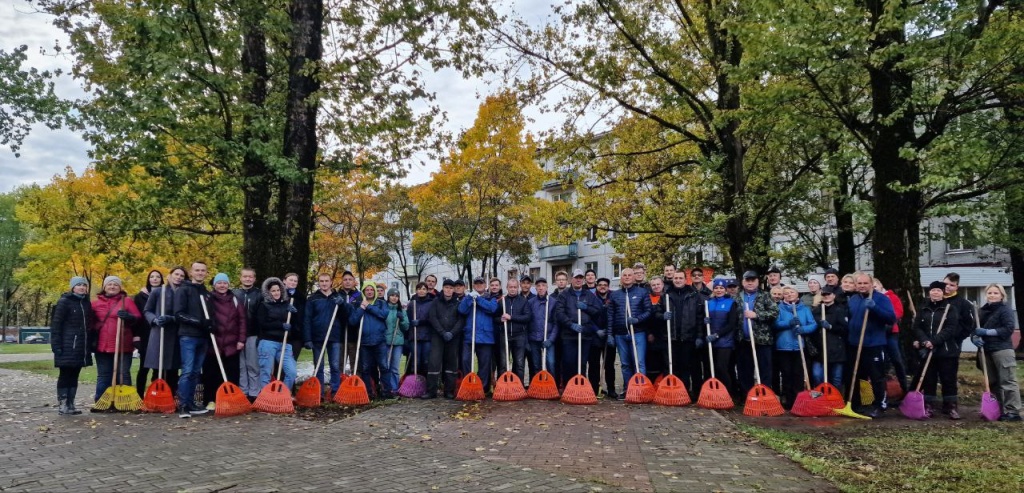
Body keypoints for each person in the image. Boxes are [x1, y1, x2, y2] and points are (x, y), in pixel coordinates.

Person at [911, 281, 963, 419]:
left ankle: (950, 406)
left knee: (948, 379)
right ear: (929, 292)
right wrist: (925, 341)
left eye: (938, 290)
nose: (935, 293)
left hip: (946, 350)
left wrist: (934, 341)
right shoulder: (923, 308)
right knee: (929, 379)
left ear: (943, 293)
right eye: (933, 290)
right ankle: (929, 406)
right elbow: (917, 328)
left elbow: (951, 328)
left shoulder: (950, 309)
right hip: (928, 351)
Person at [847, 272, 896, 418]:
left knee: (877, 376)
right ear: (856, 285)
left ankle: (880, 405)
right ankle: (856, 404)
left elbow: (891, 319)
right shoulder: (854, 299)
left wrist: (874, 307)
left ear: (871, 284)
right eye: (859, 283)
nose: (862, 286)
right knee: (855, 375)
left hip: (874, 344)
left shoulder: (880, 299)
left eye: (865, 283)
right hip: (855, 343)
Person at [974, 283, 1022, 421]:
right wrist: (975, 338)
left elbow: (1008, 329)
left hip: (1002, 350)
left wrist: (987, 332)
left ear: (1002, 295)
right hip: (985, 351)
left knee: (1007, 381)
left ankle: (1013, 412)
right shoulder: (981, 311)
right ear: (986, 294)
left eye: (996, 293)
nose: (992, 295)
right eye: (990, 293)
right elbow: (974, 329)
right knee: (993, 382)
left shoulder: (1005, 310)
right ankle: (997, 410)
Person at [91, 275, 142, 405]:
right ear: (104, 287)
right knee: (103, 375)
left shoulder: (127, 302)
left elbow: (138, 317)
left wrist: (129, 316)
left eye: (115, 285)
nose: (112, 287)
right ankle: (101, 402)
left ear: (120, 288)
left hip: (122, 344)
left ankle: (125, 402)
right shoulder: (95, 303)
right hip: (102, 345)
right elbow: (90, 321)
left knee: (123, 374)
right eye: (110, 284)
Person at [173, 261, 213, 417]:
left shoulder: (206, 293)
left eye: (203, 270)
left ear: (206, 273)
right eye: (197, 270)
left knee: (196, 372)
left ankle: (191, 403)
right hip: (188, 336)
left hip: (203, 338)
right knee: (188, 371)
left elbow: (210, 316)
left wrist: (211, 325)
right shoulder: (184, 290)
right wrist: (199, 322)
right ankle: (183, 405)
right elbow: (179, 314)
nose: (200, 273)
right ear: (191, 272)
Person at [203, 273, 247, 409]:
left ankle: (230, 398)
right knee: (211, 373)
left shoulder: (235, 300)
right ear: (214, 285)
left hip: (231, 343)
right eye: (219, 283)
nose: (222, 285)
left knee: (232, 373)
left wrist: (241, 340)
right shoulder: (208, 299)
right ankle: (211, 399)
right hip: (213, 343)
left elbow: (242, 321)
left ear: (228, 285)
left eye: (225, 283)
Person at [51, 276, 94, 415]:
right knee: (65, 374)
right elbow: (56, 325)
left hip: (81, 347)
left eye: (84, 285)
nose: (82, 287)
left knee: (75, 374)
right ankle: (62, 404)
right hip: (66, 345)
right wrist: (56, 345)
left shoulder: (86, 304)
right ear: (73, 287)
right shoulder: (64, 302)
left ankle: (71, 404)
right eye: (79, 285)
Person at [606, 268, 652, 396]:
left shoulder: (642, 292)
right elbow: (610, 315)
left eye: (629, 275)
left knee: (639, 362)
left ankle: (641, 389)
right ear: (621, 278)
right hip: (620, 334)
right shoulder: (615, 295)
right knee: (625, 364)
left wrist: (637, 319)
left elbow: (648, 311)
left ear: (633, 277)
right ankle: (628, 389)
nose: (627, 277)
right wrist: (610, 334)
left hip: (637, 333)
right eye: (624, 275)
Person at [555, 269, 604, 388]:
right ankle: (568, 387)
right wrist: (571, 324)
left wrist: (586, 307)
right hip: (569, 335)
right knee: (568, 362)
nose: (578, 280)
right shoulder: (564, 295)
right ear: (571, 279)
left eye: (580, 278)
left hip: (585, 335)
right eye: (576, 277)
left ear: (583, 280)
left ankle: (581, 387)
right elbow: (559, 313)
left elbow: (598, 311)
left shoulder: (589, 295)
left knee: (582, 363)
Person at [143, 266, 186, 398]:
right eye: (176, 274)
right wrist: (154, 320)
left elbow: (187, 313)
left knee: (173, 369)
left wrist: (172, 318)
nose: (178, 277)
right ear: (170, 275)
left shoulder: (185, 292)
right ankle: (156, 397)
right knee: (157, 368)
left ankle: (171, 397)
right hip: (159, 334)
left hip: (176, 334)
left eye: (182, 276)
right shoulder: (158, 292)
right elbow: (147, 310)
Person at [303, 273, 347, 397]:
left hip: (335, 336)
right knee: (319, 366)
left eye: (326, 281)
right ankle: (319, 393)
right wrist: (307, 338)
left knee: (334, 365)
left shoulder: (337, 297)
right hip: (317, 337)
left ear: (331, 282)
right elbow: (307, 319)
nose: (324, 283)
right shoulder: (313, 299)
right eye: (321, 281)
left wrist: (342, 304)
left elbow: (345, 317)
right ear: (318, 283)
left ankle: (335, 392)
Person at [775, 286, 819, 408]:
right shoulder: (779, 308)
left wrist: (803, 329)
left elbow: (813, 324)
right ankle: (788, 401)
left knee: (798, 374)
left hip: (800, 347)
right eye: (786, 293)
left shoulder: (804, 309)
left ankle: (798, 401)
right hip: (784, 347)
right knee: (786, 374)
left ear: (797, 294)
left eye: (792, 292)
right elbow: (775, 324)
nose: (789, 294)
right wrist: (788, 323)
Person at [736, 270, 778, 397]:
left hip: (762, 339)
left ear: (757, 282)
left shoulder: (765, 296)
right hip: (743, 339)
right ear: (743, 282)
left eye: (752, 280)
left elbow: (774, 312)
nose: (750, 283)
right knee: (745, 370)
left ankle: (765, 395)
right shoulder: (737, 297)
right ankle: (747, 396)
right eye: (747, 280)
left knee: (765, 369)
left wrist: (757, 315)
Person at [664, 270, 704, 395]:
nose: (678, 280)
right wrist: (662, 315)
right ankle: (674, 391)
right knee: (673, 366)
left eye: (680, 278)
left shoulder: (693, 295)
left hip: (688, 337)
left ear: (685, 279)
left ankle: (685, 392)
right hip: (672, 337)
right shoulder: (666, 294)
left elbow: (699, 317)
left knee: (686, 366)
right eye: (676, 278)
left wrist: (699, 336)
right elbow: (657, 312)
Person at [255, 277, 297, 395]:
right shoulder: (264, 305)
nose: (276, 293)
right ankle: (265, 397)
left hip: (285, 343)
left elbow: (294, 324)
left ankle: (283, 395)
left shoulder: (287, 305)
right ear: (268, 292)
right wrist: (280, 325)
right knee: (266, 372)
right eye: (273, 291)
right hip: (268, 342)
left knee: (292, 372)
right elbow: (262, 323)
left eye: (278, 290)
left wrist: (294, 315)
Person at [349, 282, 390, 399]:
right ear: (363, 292)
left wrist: (369, 306)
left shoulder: (381, 303)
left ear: (375, 291)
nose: (369, 291)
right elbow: (353, 321)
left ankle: (386, 391)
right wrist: (362, 308)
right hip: (364, 342)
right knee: (366, 369)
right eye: (367, 290)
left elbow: (383, 315)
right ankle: (369, 392)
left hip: (379, 341)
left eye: (371, 289)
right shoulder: (358, 304)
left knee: (383, 366)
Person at [425, 279, 464, 399]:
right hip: (438, 336)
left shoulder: (458, 303)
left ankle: (449, 391)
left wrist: (452, 333)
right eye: (446, 287)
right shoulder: (436, 302)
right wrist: (442, 332)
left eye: (451, 288)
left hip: (453, 337)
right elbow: (432, 317)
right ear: (443, 288)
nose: (448, 290)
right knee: (434, 363)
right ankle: (431, 391)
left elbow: (461, 320)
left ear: (454, 290)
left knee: (451, 364)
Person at [459, 277, 499, 392]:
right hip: (469, 335)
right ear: (473, 285)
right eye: (476, 283)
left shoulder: (491, 298)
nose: (479, 285)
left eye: (481, 283)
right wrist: (470, 299)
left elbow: (492, 308)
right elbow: (461, 310)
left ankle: (482, 387)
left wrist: (479, 299)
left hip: (485, 337)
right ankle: (468, 384)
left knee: (484, 364)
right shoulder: (468, 297)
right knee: (466, 360)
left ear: (485, 284)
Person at [704, 278, 740, 398]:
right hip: (711, 341)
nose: (718, 290)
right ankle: (714, 394)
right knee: (711, 368)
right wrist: (706, 321)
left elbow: (731, 324)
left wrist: (717, 335)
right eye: (716, 288)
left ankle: (727, 394)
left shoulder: (731, 303)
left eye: (721, 288)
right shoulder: (709, 302)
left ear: (725, 290)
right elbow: (706, 321)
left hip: (725, 341)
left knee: (721, 367)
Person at [233, 267, 262, 400]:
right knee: (240, 364)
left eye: (250, 277)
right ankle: (243, 391)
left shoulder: (260, 294)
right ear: (241, 278)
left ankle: (254, 392)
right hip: (237, 335)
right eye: (245, 276)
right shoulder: (234, 294)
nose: (247, 279)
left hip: (253, 334)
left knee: (252, 364)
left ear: (254, 278)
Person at [874, 278, 907, 394]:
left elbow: (898, 312)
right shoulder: (871, 299)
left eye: (875, 287)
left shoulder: (891, 297)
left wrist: (887, 320)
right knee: (881, 362)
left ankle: (905, 387)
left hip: (891, 332)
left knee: (896, 359)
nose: (874, 289)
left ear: (880, 285)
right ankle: (882, 391)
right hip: (877, 333)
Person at [133, 269, 163, 397]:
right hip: (145, 334)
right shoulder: (140, 296)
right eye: (152, 276)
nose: (155, 279)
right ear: (148, 279)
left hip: (160, 333)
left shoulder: (165, 294)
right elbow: (137, 318)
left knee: (158, 368)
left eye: (157, 277)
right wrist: (136, 337)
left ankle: (155, 395)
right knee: (144, 367)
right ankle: (139, 395)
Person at [497, 278, 532, 381]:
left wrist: (511, 317)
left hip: (519, 336)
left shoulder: (523, 301)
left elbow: (527, 317)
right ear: (507, 288)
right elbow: (494, 317)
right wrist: (500, 319)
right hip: (505, 335)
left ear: (518, 288)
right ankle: (502, 386)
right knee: (503, 363)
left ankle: (519, 387)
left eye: (515, 287)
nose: (512, 289)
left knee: (519, 364)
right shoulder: (502, 301)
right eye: (510, 287)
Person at [588, 277, 617, 397]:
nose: (602, 287)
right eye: (600, 285)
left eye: (605, 284)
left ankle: (611, 389)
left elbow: (616, 315)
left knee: (609, 364)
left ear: (608, 286)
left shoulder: (613, 298)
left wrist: (610, 332)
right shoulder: (591, 298)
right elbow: (587, 317)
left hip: (609, 335)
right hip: (595, 336)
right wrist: (596, 330)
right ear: (596, 286)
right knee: (594, 365)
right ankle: (594, 388)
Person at [816, 285, 848, 390]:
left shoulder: (840, 310)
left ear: (833, 296)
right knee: (818, 376)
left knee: (836, 378)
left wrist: (830, 327)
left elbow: (845, 329)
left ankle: (836, 400)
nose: (826, 296)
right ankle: (822, 399)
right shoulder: (817, 310)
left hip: (836, 349)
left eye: (828, 294)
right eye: (824, 294)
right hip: (821, 349)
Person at [527, 277, 558, 386]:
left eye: (543, 286)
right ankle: (538, 385)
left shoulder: (553, 302)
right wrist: (527, 340)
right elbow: (527, 321)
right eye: (538, 286)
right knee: (536, 364)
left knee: (550, 362)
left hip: (548, 338)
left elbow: (556, 323)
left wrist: (551, 339)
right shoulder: (531, 302)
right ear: (536, 288)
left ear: (547, 287)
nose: (541, 288)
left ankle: (551, 385)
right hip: (534, 338)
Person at [381, 288, 409, 398]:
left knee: (395, 367)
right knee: (385, 366)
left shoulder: (401, 310)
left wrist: (402, 319)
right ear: (388, 296)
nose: (394, 297)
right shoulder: (384, 309)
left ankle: (394, 389)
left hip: (398, 342)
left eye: (396, 296)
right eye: (392, 295)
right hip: (386, 341)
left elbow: (406, 326)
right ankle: (385, 387)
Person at [642, 276, 667, 382]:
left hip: (666, 334)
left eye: (658, 284)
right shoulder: (647, 298)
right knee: (652, 360)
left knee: (665, 360)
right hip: (652, 333)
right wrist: (649, 333)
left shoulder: (668, 297)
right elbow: (646, 318)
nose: (656, 287)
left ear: (662, 285)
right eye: (654, 285)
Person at [406, 282, 433, 378]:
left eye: (424, 289)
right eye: (419, 289)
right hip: (414, 336)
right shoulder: (412, 303)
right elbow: (408, 319)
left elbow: (433, 319)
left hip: (427, 336)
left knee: (426, 361)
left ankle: (425, 382)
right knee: (416, 361)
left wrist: (421, 322)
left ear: (427, 291)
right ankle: (415, 382)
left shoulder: (431, 303)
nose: (421, 291)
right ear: (416, 290)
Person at [943, 272, 976, 345]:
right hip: (933, 342)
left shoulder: (964, 303)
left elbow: (969, 324)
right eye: (945, 284)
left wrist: (958, 337)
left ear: (956, 287)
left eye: (952, 285)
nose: (947, 286)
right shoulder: (933, 300)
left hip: (953, 343)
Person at [283, 273, 306, 362]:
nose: (293, 282)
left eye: (295, 281)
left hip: (296, 334)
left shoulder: (301, 297)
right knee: (279, 362)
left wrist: (296, 313)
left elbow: (303, 316)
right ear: (284, 281)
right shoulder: (278, 294)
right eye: (290, 280)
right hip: (281, 333)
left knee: (291, 361)